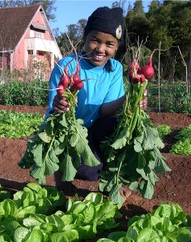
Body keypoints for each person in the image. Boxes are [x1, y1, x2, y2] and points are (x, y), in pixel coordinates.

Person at [44, 6, 147, 194]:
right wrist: (60, 104)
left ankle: (114, 182)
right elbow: (54, 107)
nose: (100, 49)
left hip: (94, 126)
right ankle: (62, 180)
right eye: (95, 41)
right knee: (87, 172)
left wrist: (129, 99)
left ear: (117, 47)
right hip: (69, 128)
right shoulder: (66, 65)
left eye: (109, 44)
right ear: (85, 38)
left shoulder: (114, 68)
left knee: (120, 125)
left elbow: (106, 111)